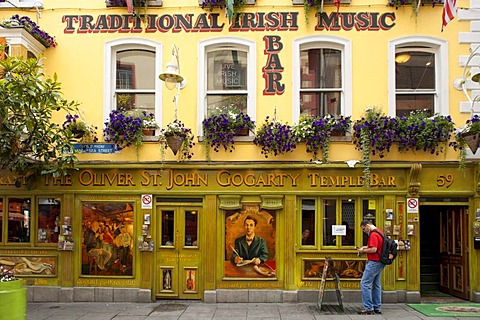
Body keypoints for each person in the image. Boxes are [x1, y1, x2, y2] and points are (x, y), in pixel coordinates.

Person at [356, 220, 386, 315]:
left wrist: (362, 251)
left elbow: (373, 249)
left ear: (368, 226)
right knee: (376, 284)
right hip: (380, 261)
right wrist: (364, 247)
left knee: (365, 283)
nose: (364, 231)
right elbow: (374, 246)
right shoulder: (380, 232)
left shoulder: (373, 234)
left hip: (374, 262)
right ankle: (377, 307)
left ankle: (368, 307)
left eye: (364, 229)